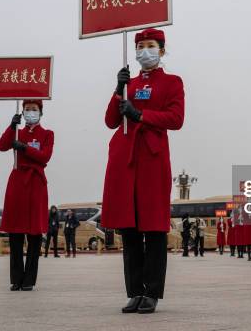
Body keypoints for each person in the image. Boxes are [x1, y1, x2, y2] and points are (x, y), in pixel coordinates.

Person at [100, 28, 185, 314]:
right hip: (124, 159)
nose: (144, 51)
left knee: (154, 227)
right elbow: (111, 121)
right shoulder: (129, 84)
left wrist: (142, 116)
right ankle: (135, 292)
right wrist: (117, 89)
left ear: (161, 51)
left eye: (150, 46)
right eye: (139, 46)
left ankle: (152, 293)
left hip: (152, 158)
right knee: (130, 229)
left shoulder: (172, 82)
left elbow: (175, 118)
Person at [0, 99, 54, 291]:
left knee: (34, 234)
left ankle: (29, 280)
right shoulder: (17, 132)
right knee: (16, 234)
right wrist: (11, 125)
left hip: (36, 183)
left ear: (41, 112)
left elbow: (44, 157)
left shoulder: (47, 134)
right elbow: (1, 146)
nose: (30, 112)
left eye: (34, 109)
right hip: (17, 183)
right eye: (27, 109)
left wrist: (24, 148)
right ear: (22, 112)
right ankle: (16, 279)